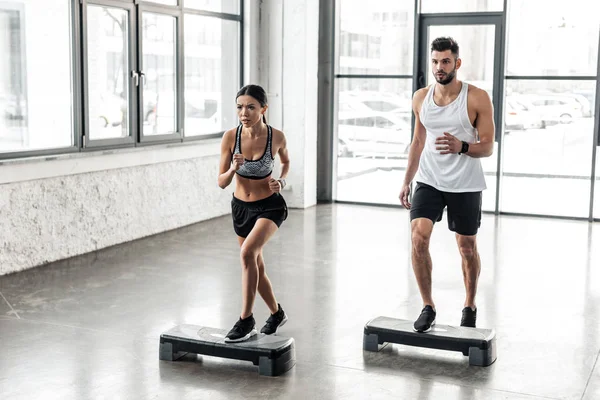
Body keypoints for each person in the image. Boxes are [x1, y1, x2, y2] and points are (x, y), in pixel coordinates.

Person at [399, 37, 495, 332]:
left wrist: (462, 146)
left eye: (445, 61)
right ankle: (428, 306)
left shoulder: (477, 98)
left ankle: (469, 304)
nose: (439, 67)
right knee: (419, 237)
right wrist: (407, 181)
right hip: (429, 179)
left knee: (466, 247)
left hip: (465, 183)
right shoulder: (421, 97)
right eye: (435, 61)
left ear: (457, 63)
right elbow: (418, 141)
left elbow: (488, 146)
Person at [217, 84, 290, 343]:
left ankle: (246, 320)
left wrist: (281, 181)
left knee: (247, 254)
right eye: (239, 107)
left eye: (250, 107)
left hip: (270, 206)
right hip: (240, 208)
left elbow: (286, 163)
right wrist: (234, 168)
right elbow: (221, 182)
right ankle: (276, 312)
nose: (244, 112)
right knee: (255, 265)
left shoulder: (276, 136)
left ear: (263, 108)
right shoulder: (230, 137)